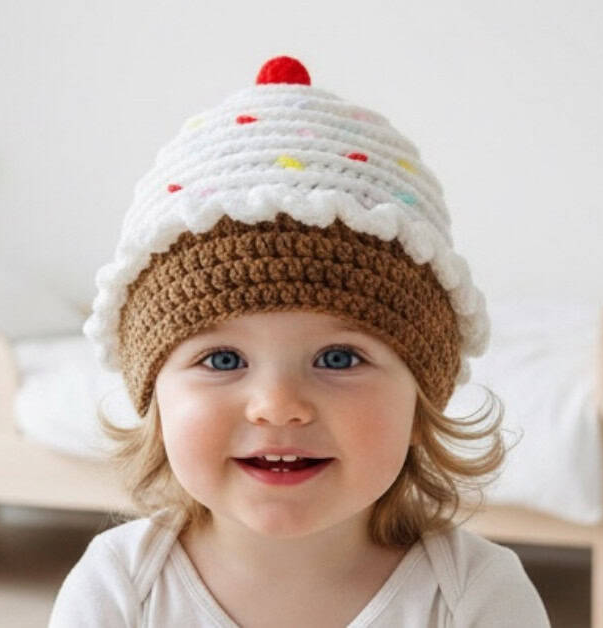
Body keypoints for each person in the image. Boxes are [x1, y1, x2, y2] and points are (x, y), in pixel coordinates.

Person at [49, 55, 551, 627]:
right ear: (154, 401)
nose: (278, 405)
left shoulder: (473, 596)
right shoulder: (120, 587)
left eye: (338, 358)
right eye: (222, 358)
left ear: (421, 403)